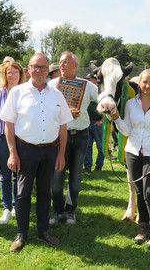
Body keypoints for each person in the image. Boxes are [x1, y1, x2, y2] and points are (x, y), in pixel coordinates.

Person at [0, 53, 72, 252]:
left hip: (50, 150)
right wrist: (13, 153)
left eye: (43, 67)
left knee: (44, 193)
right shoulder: (17, 92)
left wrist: (61, 153)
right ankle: (21, 233)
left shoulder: (57, 95)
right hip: (25, 150)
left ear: (48, 70)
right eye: (35, 66)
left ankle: (43, 231)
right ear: (28, 69)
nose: (39, 70)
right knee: (22, 194)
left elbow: (63, 127)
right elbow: (9, 125)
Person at [110, 69, 150, 249]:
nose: (147, 86)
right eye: (144, 82)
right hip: (133, 153)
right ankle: (143, 228)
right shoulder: (130, 104)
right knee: (139, 193)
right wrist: (116, 118)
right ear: (139, 83)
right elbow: (127, 130)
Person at [48, 51, 98, 225]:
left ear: (75, 65)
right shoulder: (52, 85)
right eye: (60, 62)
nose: (61, 65)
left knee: (75, 177)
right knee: (56, 177)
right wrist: (66, 113)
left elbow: (102, 100)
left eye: (66, 62)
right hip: (58, 136)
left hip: (81, 135)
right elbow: (45, 110)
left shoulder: (88, 86)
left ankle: (71, 210)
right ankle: (57, 211)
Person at [0, 61, 26, 224]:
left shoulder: (25, 93)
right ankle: (6, 208)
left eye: (16, 72)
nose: (13, 75)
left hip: (21, 139)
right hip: (2, 139)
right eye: (10, 72)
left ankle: (17, 205)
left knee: (19, 174)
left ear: (21, 75)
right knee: (5, 175)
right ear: (5, 74)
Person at [83, 73, 104, 173]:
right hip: (87, 123)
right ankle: (87, 167)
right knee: (87, 147)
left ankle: (98, 167)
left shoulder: (100, 92)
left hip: (97, 123)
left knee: (101, 146)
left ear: (95, 80)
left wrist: (101, 121)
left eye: (89, 79)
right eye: (86, 79)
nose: (87, 81)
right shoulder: (85, 91)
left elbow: (105, 107)